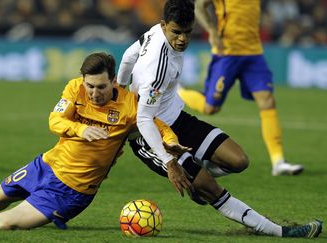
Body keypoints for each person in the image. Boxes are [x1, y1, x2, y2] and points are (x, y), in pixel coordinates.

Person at [0, 52, 187, 231]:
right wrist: (81, 130)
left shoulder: (129, 105)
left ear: (114, 81)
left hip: (72, 190)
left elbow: (159, 126)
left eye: (101, 87)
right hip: (47, 165)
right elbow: (55, 121)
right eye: (90, 86)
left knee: (6, 223)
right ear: (81, 80)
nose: (95, 93)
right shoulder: (75, 89)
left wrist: (171, 141)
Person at [116, 0, 322, 238]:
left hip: (178, 120)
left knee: (239, 161)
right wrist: (169, 162)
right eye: (176, 32)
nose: (182, 39)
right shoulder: (157, 70)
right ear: (164, 26)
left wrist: (121, 86)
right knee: (212, 188)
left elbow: (130, 54)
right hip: (152, 136)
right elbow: (143, 120)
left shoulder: (154, 32)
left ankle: (196, 181)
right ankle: (281, 231)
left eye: (187, 32)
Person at [177, 0, 303, 176]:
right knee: (210, 107)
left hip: (253, 53)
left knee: (267, 101)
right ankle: (179, 92)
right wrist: (212, 31)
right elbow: (199, 5)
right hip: (226, 52)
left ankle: (278, 161)